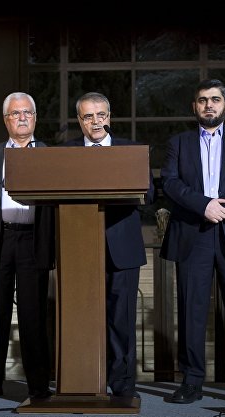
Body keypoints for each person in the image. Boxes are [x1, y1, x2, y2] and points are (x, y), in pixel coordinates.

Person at [160, 79, 225, 404]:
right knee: (192, 309)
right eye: (203, 100)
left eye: (215, 100)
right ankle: (192, 380)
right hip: (194, 234)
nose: (209, 105)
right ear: (195, 107)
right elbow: (170, 182)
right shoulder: (178, 143)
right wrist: (203, 205)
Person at [61, 92, 154, 398]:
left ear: (110, 117)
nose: (96, 122)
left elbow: (149, 193)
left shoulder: (130, 149)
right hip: (79, 248)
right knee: (82, 319)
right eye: (88, 116)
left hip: (122, 247)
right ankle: (84, 381)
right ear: (80, 121)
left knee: (121, 320)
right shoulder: (67, 152)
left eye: (101, 115)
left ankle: (123, 383)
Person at [0, 92, 54, 399]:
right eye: (16, 113)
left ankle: (39, 386)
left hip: (32, 242)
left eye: (27, 113)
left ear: (35, 118)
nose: (22, 118)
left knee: (33, 316)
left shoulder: (47, 153)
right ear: (6, 120)